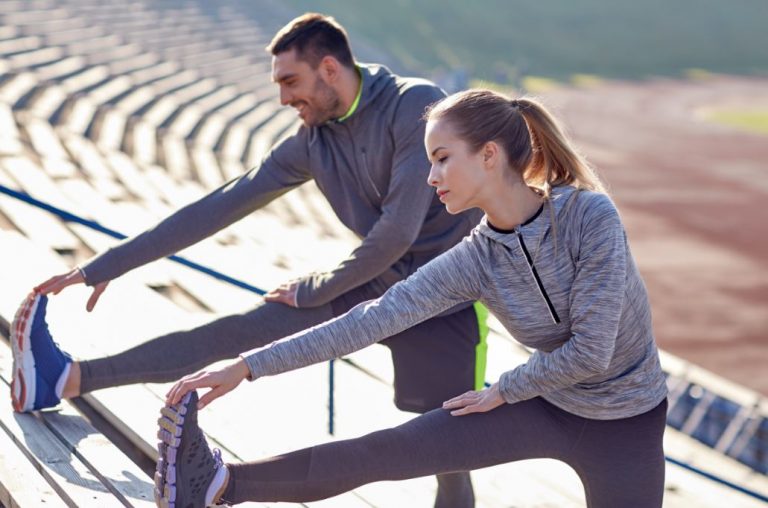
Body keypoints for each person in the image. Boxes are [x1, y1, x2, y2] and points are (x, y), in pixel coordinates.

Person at [13, 13, 485, 507]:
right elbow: (220, 204)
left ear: (329, 68)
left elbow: (397, 232)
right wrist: (105, 265)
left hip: (444, 296)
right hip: (371, 279)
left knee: (447, 452)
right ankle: (63, 378)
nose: (283, 98)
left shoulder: (415, 105)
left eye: (290, 81)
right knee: (233, 333)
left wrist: (316, 288)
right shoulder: (314, 140)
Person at [155, 89, 669, 508]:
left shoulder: (589, 216)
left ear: (489, 155)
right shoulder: (476, 259)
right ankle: (219, 485)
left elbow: (593, 350)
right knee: (390, 451)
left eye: (443, 159)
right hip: (544, 402)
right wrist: (245, 367)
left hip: (627, 423)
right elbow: (370, 321)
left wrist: (506, 389)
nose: (431, 177)